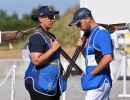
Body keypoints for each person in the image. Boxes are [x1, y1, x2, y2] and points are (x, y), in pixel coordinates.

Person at [69, 8, 114, 100]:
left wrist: (91, 74)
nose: (78, 27)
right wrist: (82, 49)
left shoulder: (101, 33)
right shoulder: (91, 34)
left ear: (88, 18)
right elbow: (92, 59)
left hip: (99, 82)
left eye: (79, 23)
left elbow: (108, 57)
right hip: (96, 82)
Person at [24, 6, 66, 100]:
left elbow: (54, 57)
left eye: (53, 17)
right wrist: (53, 48)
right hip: (40, 84)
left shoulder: (51, 36)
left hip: (50, 84)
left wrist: (61, 68)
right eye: (50, 17)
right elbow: (36, 60)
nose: (53, 19)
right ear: (40, 19)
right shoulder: (37, 37)